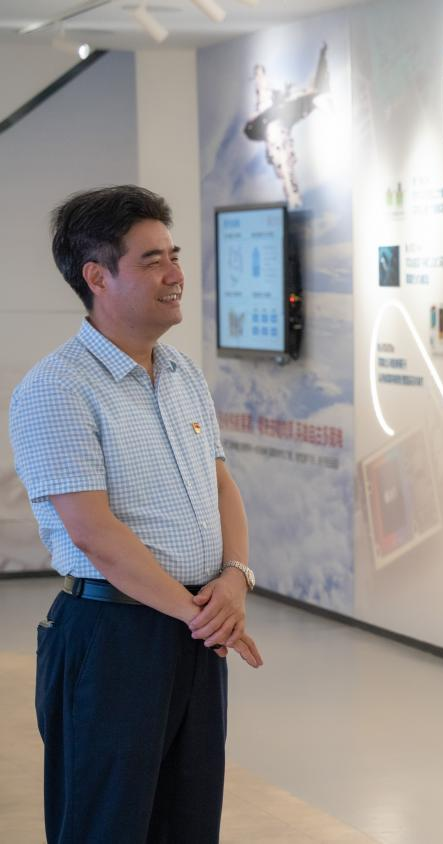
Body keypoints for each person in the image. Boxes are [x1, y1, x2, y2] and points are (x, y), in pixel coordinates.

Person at [8, 185, 262, 843]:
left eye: (173, 255)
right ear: (97, 277)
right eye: (152, 260)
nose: (175, 274)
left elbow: (221, 484)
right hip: (112, 637)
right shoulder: (57, 388)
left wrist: (234, 577)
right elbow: (94, 534)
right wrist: (202, 613)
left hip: (192, 631)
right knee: (108, 827)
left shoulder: (181, 373)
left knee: (188, 823)